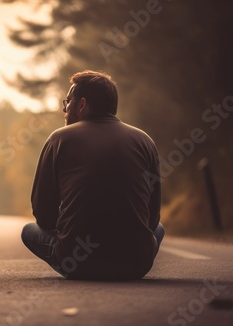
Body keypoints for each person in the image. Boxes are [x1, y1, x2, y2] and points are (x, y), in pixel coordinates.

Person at [21, 70, 164, 280]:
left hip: (77, 264)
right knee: (159, 229)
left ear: (82, 104)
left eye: (67, 101)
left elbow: (43, 214)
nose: (64, 109)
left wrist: (72, 226)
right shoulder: (144, 141)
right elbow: (152, 218)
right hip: (136, 265)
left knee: (29, 231)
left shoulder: (59, 139)